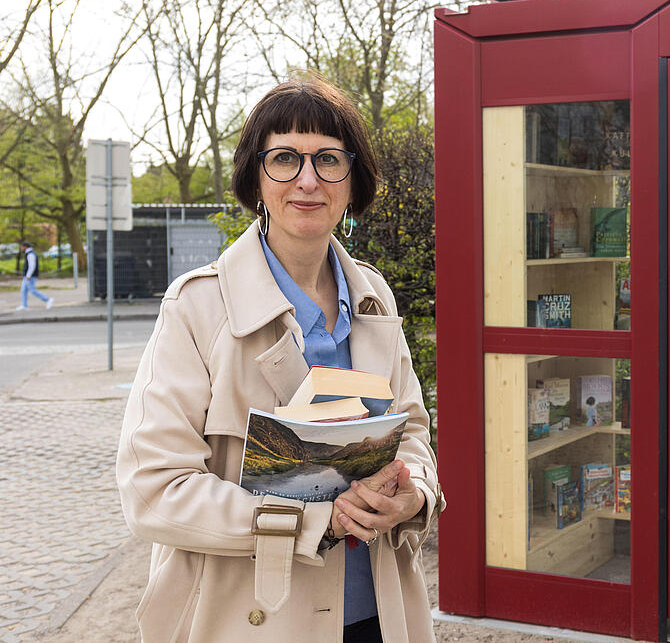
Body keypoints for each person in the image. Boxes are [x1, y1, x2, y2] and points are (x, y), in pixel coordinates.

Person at [116, 74, 443, 643]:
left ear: (353, 178)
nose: (308, 181)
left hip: (379, 612)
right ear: (255, 176)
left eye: (329, 160)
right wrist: (314, 520)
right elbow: (154, 490)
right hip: (252, 618)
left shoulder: (373, 295)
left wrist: (412, 491)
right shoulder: (198, 307)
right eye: (285, 158)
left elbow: (412, 430)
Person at [16, 241, 53, 310]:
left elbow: (32, 266)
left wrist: (28, 275)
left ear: (25, 247)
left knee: (33, 290)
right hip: (27, 276)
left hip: (30, 276)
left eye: (22, 247)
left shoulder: (30, 254)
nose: (21, 248)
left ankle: (47, 299)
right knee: (23, 290)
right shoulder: (29, 254)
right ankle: (24, 305)